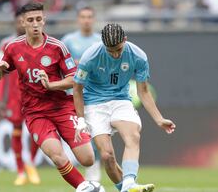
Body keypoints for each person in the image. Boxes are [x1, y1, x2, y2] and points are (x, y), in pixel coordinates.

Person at [0, 1, 95, 189]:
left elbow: (75, 79)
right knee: (56, 155)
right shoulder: (12, 48)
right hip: (35, 112)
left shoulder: (57, 47)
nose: (35, 24)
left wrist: (51, 84)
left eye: (39, 19)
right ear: (23, 23)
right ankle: (84, 187)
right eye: (30, 20)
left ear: (44, 20)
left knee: (88, 159)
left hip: (62, 107)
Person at [73, 23, 176, 192]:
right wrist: (81, 119)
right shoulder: (90, 56)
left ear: (125, 40)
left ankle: (129, 182)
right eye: (110, 50)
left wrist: (159, 119)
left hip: (121, 100)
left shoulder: (138, 56)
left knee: (133, 136)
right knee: (107, 156)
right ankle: (124, 188)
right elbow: (77, 89)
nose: (115, 54)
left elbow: (143, 92)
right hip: (94, 103)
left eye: (118, 49)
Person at [0, 8, 40, 186]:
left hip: (35, 94)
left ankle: (31, 163)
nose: (23, 24)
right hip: (15, 96)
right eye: (20, 21)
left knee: (37, 132)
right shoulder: (6, 44)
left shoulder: (40, 41)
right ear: (16, 23)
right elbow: (1, 74)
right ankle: (20, 170)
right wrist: (1, 99)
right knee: (16, 131)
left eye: (27, 20)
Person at [61, 6, 102, 182]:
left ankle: (94, 169)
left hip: (94, 94)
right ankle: (75, 165)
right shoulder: (69, 40)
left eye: (89, 16)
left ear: (93, 19)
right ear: (78, 19)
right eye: (83, 16)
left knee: (96, 132)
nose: (86, 20)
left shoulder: (100, 41)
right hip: (73, 95)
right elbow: (59, 64)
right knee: (79, 131)